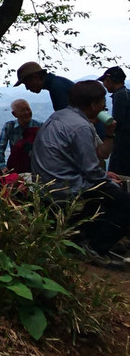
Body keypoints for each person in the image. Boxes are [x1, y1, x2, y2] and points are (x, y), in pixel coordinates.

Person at [31, 80, 130, 265]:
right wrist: (108, 183)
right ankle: (96, 247)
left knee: (105, 191)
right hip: (64, 186)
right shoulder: (81, 126)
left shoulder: (61, 116)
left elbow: (97, 155)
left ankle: (90, 238)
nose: (104, 107)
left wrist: (110, 133)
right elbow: (92, 172)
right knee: (124, 202)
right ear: (93, 105)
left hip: (49, 182)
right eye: (102, 103)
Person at [0, 98, 42, 171]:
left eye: (28, 109)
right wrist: (2, 167)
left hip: (36, 167)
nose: (26, 112)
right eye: (22, 110)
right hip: (16, 167)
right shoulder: (9, 126)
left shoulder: (39, 126)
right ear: (14, 114)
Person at [102, 66, 130, 175]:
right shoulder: (126, 92)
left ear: (108, 80)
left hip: (123, 144)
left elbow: (117, 122)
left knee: (119, 174)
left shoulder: (120, 95)